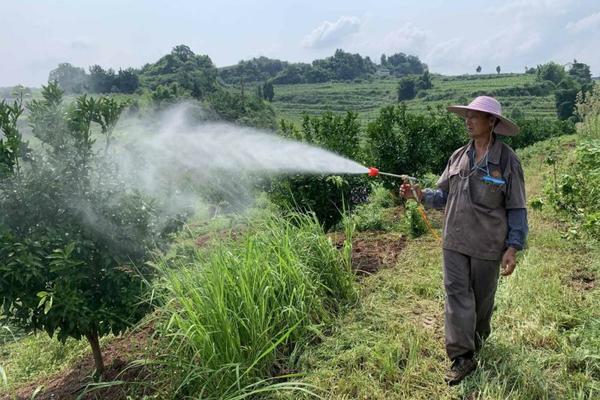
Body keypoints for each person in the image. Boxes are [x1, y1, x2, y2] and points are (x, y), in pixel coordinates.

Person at [399, 96, 528, 385]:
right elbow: (442, 195)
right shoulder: (458, 156)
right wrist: (418, 195)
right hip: (454, 240)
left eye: (475, 117)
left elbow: (517, 206)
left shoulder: (507, 160)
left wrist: (513, 246)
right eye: (466, 116)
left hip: (487, 245)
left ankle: (477, 341)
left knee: (482, 303)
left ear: (492, 122)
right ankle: (461, 356)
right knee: (457, 296)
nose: (468, 121)